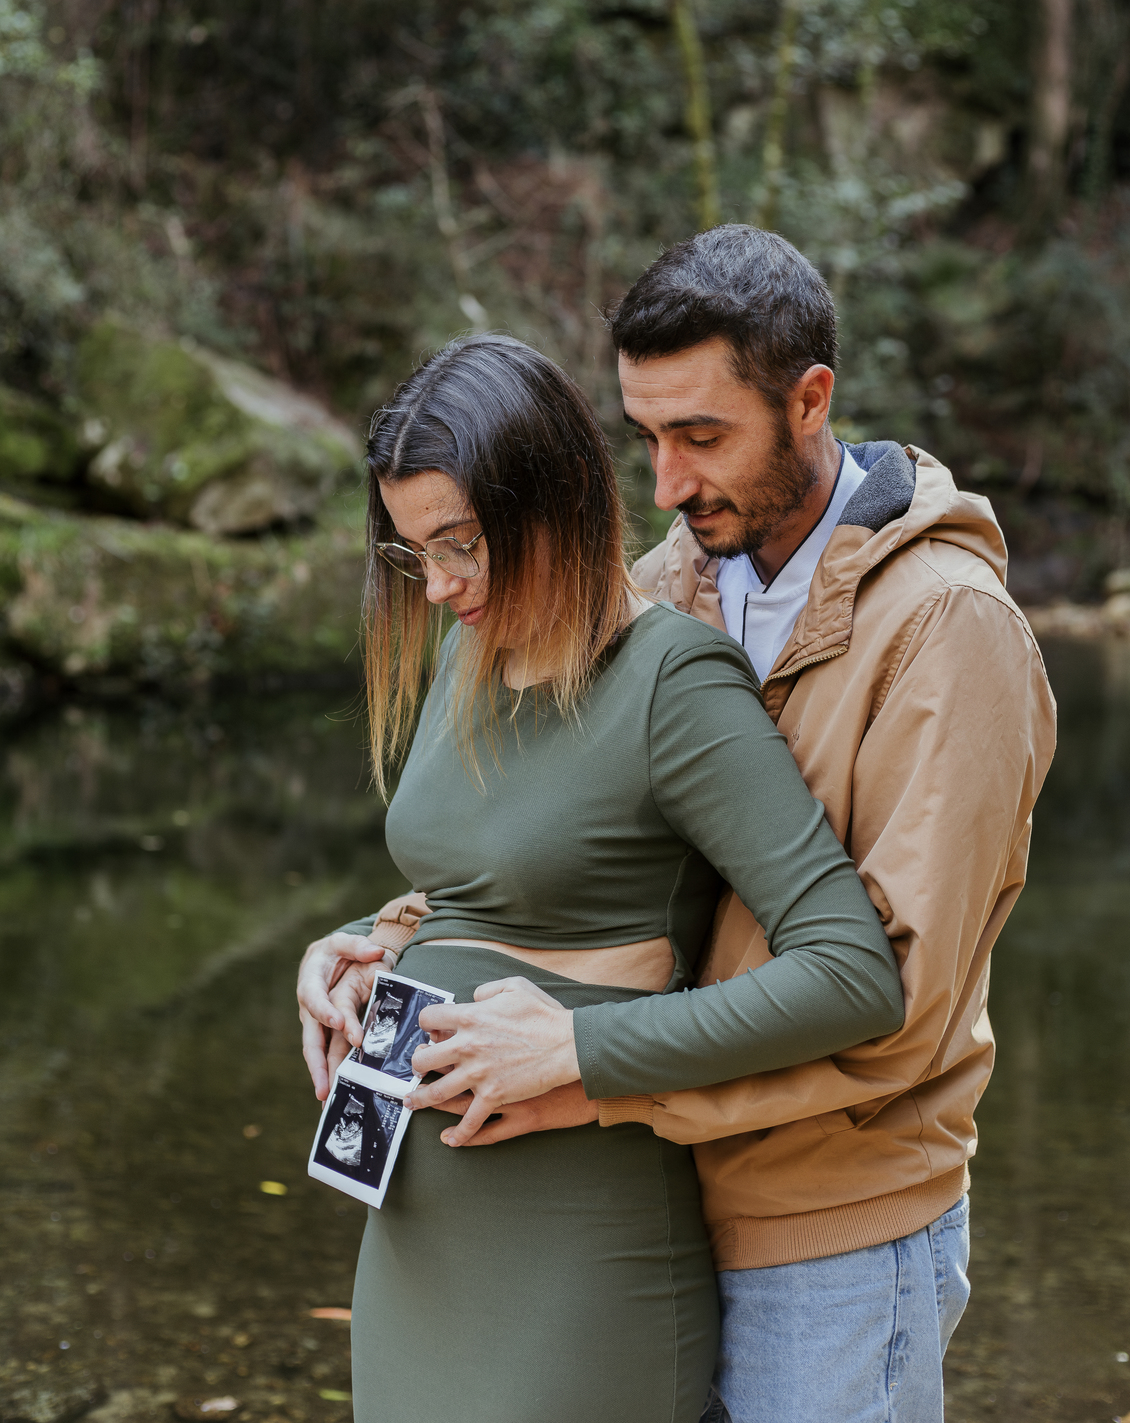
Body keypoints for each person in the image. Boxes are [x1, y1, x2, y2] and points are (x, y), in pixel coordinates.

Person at [330, 227, 1057, 1423]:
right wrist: (379, 939)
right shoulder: (677, 583)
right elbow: (568, 853)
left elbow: (898, 1003)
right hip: (657, 1183)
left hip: (825, 1222)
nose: (664, 484)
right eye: (646, 438)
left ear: (809, 400)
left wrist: (589, 1064)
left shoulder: (948, 633)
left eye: (702, 437)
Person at [296, 332, 905, 1423]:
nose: (436, 586)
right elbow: (487, 888)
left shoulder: (673, 682)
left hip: (577, 1253)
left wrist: (582, 1047)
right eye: (410, 553)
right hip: (416, 1241)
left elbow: (851, 974)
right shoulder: (463, 652)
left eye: (463, 545)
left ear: (558, 498)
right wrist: (356, 950)